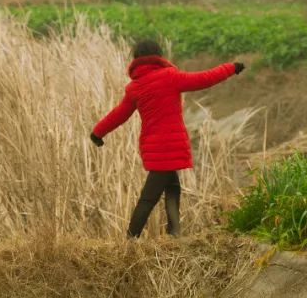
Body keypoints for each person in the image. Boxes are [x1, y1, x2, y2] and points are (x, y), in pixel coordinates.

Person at [90, 39, 244, 238]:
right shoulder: (170, 77)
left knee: (172, 187)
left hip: (153, 147)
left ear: (136, 60)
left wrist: (97, 133)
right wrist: (231, 67)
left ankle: (174, 233)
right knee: (148, 198)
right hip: (170, 147)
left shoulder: (135, 87)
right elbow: (204, 78)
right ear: (159, 56)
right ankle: (130, 239)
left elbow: (119, 114)